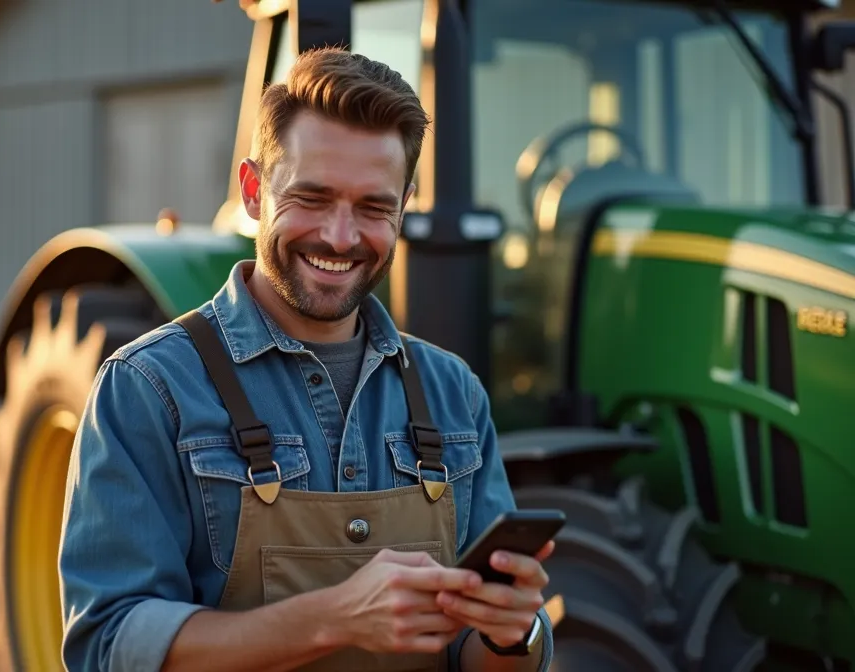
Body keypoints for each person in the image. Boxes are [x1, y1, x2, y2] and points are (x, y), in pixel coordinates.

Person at [58, 47, 555, 672]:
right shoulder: (149, 389)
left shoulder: (454, 391)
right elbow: (108, 646)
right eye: (312, 198)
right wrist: (336, 618)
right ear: (252, 190)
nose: (341, 237)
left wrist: (511, 635)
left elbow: (480, 661)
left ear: (404, 206)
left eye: (374, 208)